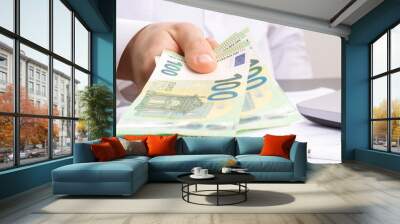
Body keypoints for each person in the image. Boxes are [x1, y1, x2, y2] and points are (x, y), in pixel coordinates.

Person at [116, 0, 312, 109]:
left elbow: (285, 35)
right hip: (132, 113)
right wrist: (131, 44)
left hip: (262, 115)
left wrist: (300, 104)